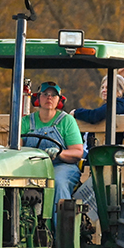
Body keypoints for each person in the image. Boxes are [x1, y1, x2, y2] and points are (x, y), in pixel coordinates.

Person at [22, 82, 84, 225]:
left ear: (59, 100)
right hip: (32, 167)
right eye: (45, 94)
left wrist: (60, 153)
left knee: (58, 182)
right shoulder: (26, 121)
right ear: (38, 98)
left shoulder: (66, 121)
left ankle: (62, 236)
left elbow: (77, 152)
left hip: (62, 166)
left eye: (54, 95)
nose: (49, 98)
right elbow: (16, 147)